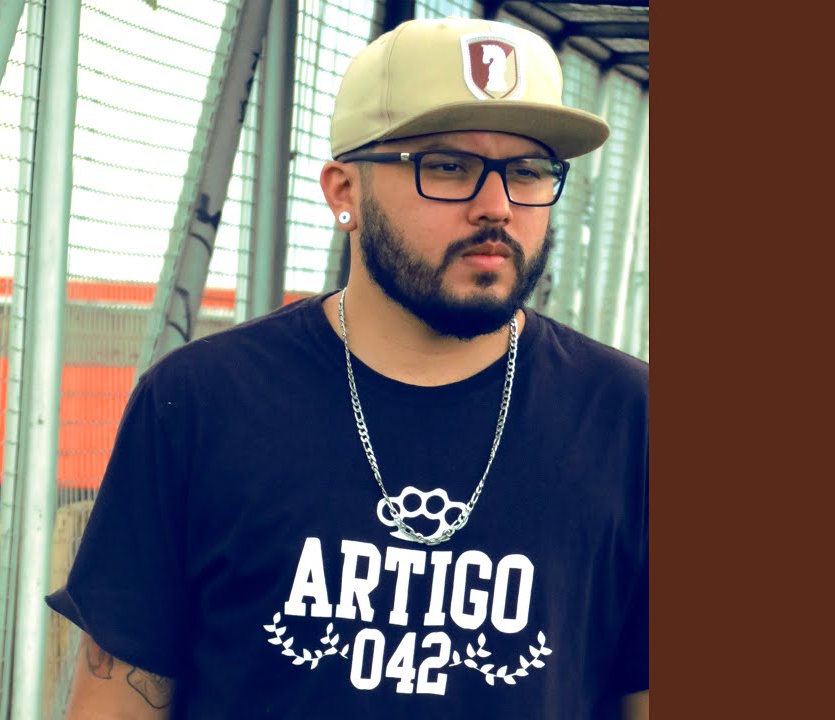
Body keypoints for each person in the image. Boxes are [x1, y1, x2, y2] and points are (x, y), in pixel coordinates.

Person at [47, 16, 648, 719]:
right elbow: (116, 701)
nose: (497, 207)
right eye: (447, 166)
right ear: (343, 192)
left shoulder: (630, 419)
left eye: (528, 171)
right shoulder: (203, 401)